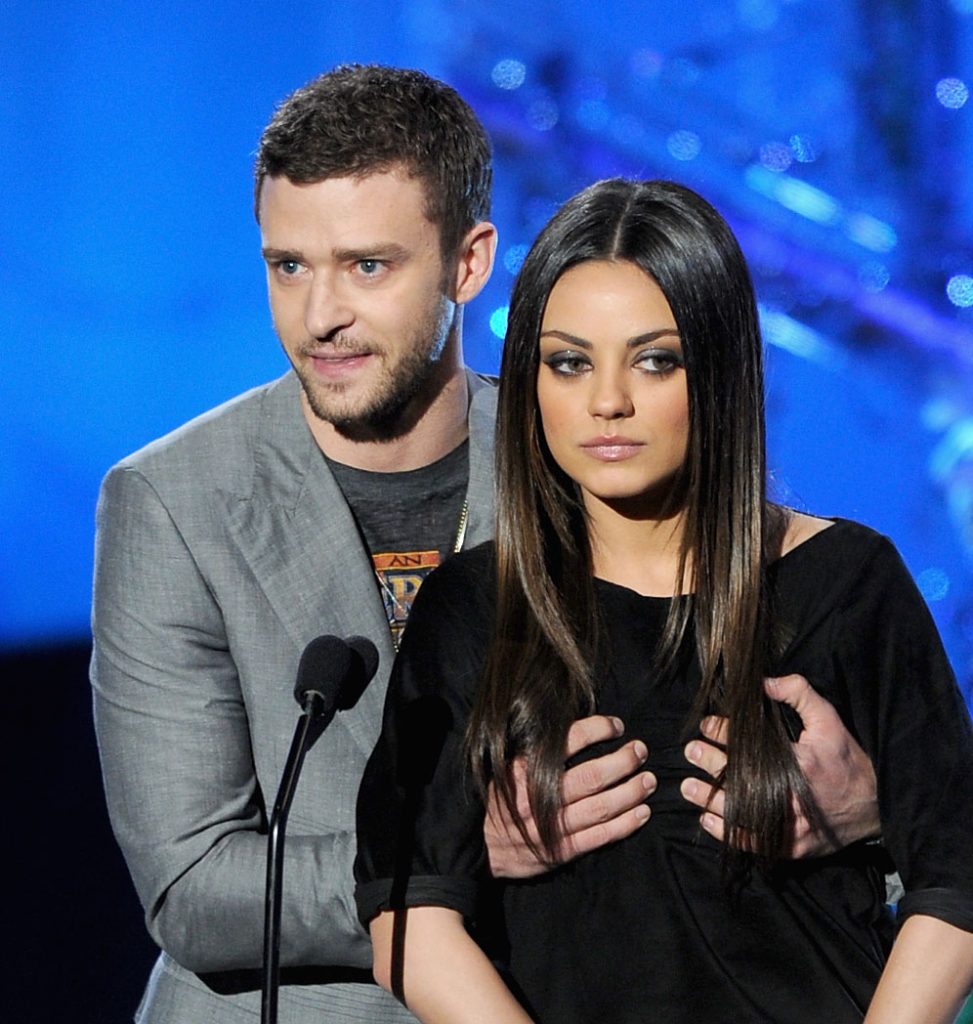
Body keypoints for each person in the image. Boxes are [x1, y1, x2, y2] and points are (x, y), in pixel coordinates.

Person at [91, 65, 881, 1024]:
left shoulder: (594, 458)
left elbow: (754, 787)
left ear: (468, 263)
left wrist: (865, 820)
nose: (318, 315)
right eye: (288, 265)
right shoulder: (171, 503)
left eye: (367, 266)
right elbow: (195, 888)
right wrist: (456, 852)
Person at [356, 178, 973, 1023]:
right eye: (569, 362)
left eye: (655, 359)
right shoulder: (474, 608)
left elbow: (957, 882)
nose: (607, 401)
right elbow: (406, 915)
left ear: (718, 369)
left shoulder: (848, 583)